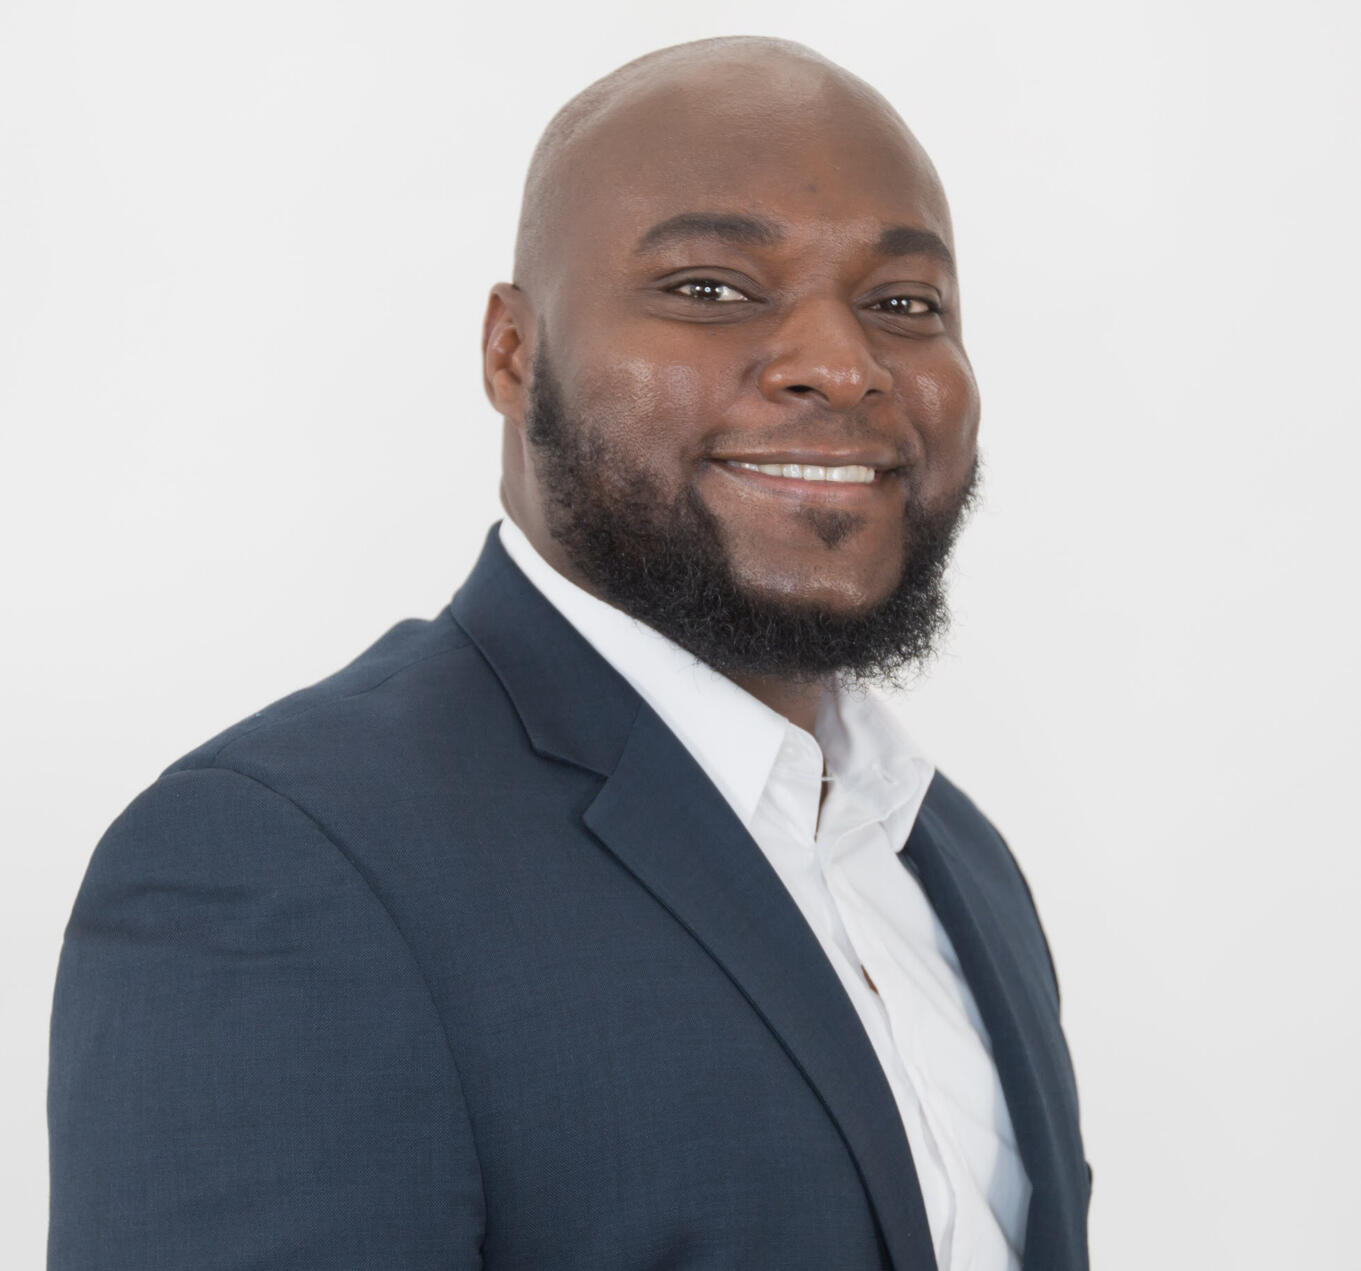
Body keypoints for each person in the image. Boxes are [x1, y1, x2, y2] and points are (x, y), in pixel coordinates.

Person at [47, 35, 1090, 1271]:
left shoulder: (947, 852)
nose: (838, 365)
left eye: (902, 305)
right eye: (711, 287)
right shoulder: (282, 861)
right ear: (512, 350)